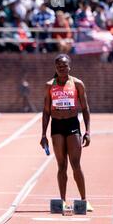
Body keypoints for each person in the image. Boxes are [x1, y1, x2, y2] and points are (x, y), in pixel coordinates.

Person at [40, 54, 93, 212]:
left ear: (69, 66)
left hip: (72, 125)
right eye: (59, 66)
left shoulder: (77, 84)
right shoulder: (49, 85)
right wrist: (43, 134)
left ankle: (84, 200)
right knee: (61, 165)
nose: (62, 68)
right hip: (56, 126)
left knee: (75, 164)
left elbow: (85, 108)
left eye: (64, 66)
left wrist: (88, 131)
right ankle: (62, 200)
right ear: (55, 68)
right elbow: (46, 111)